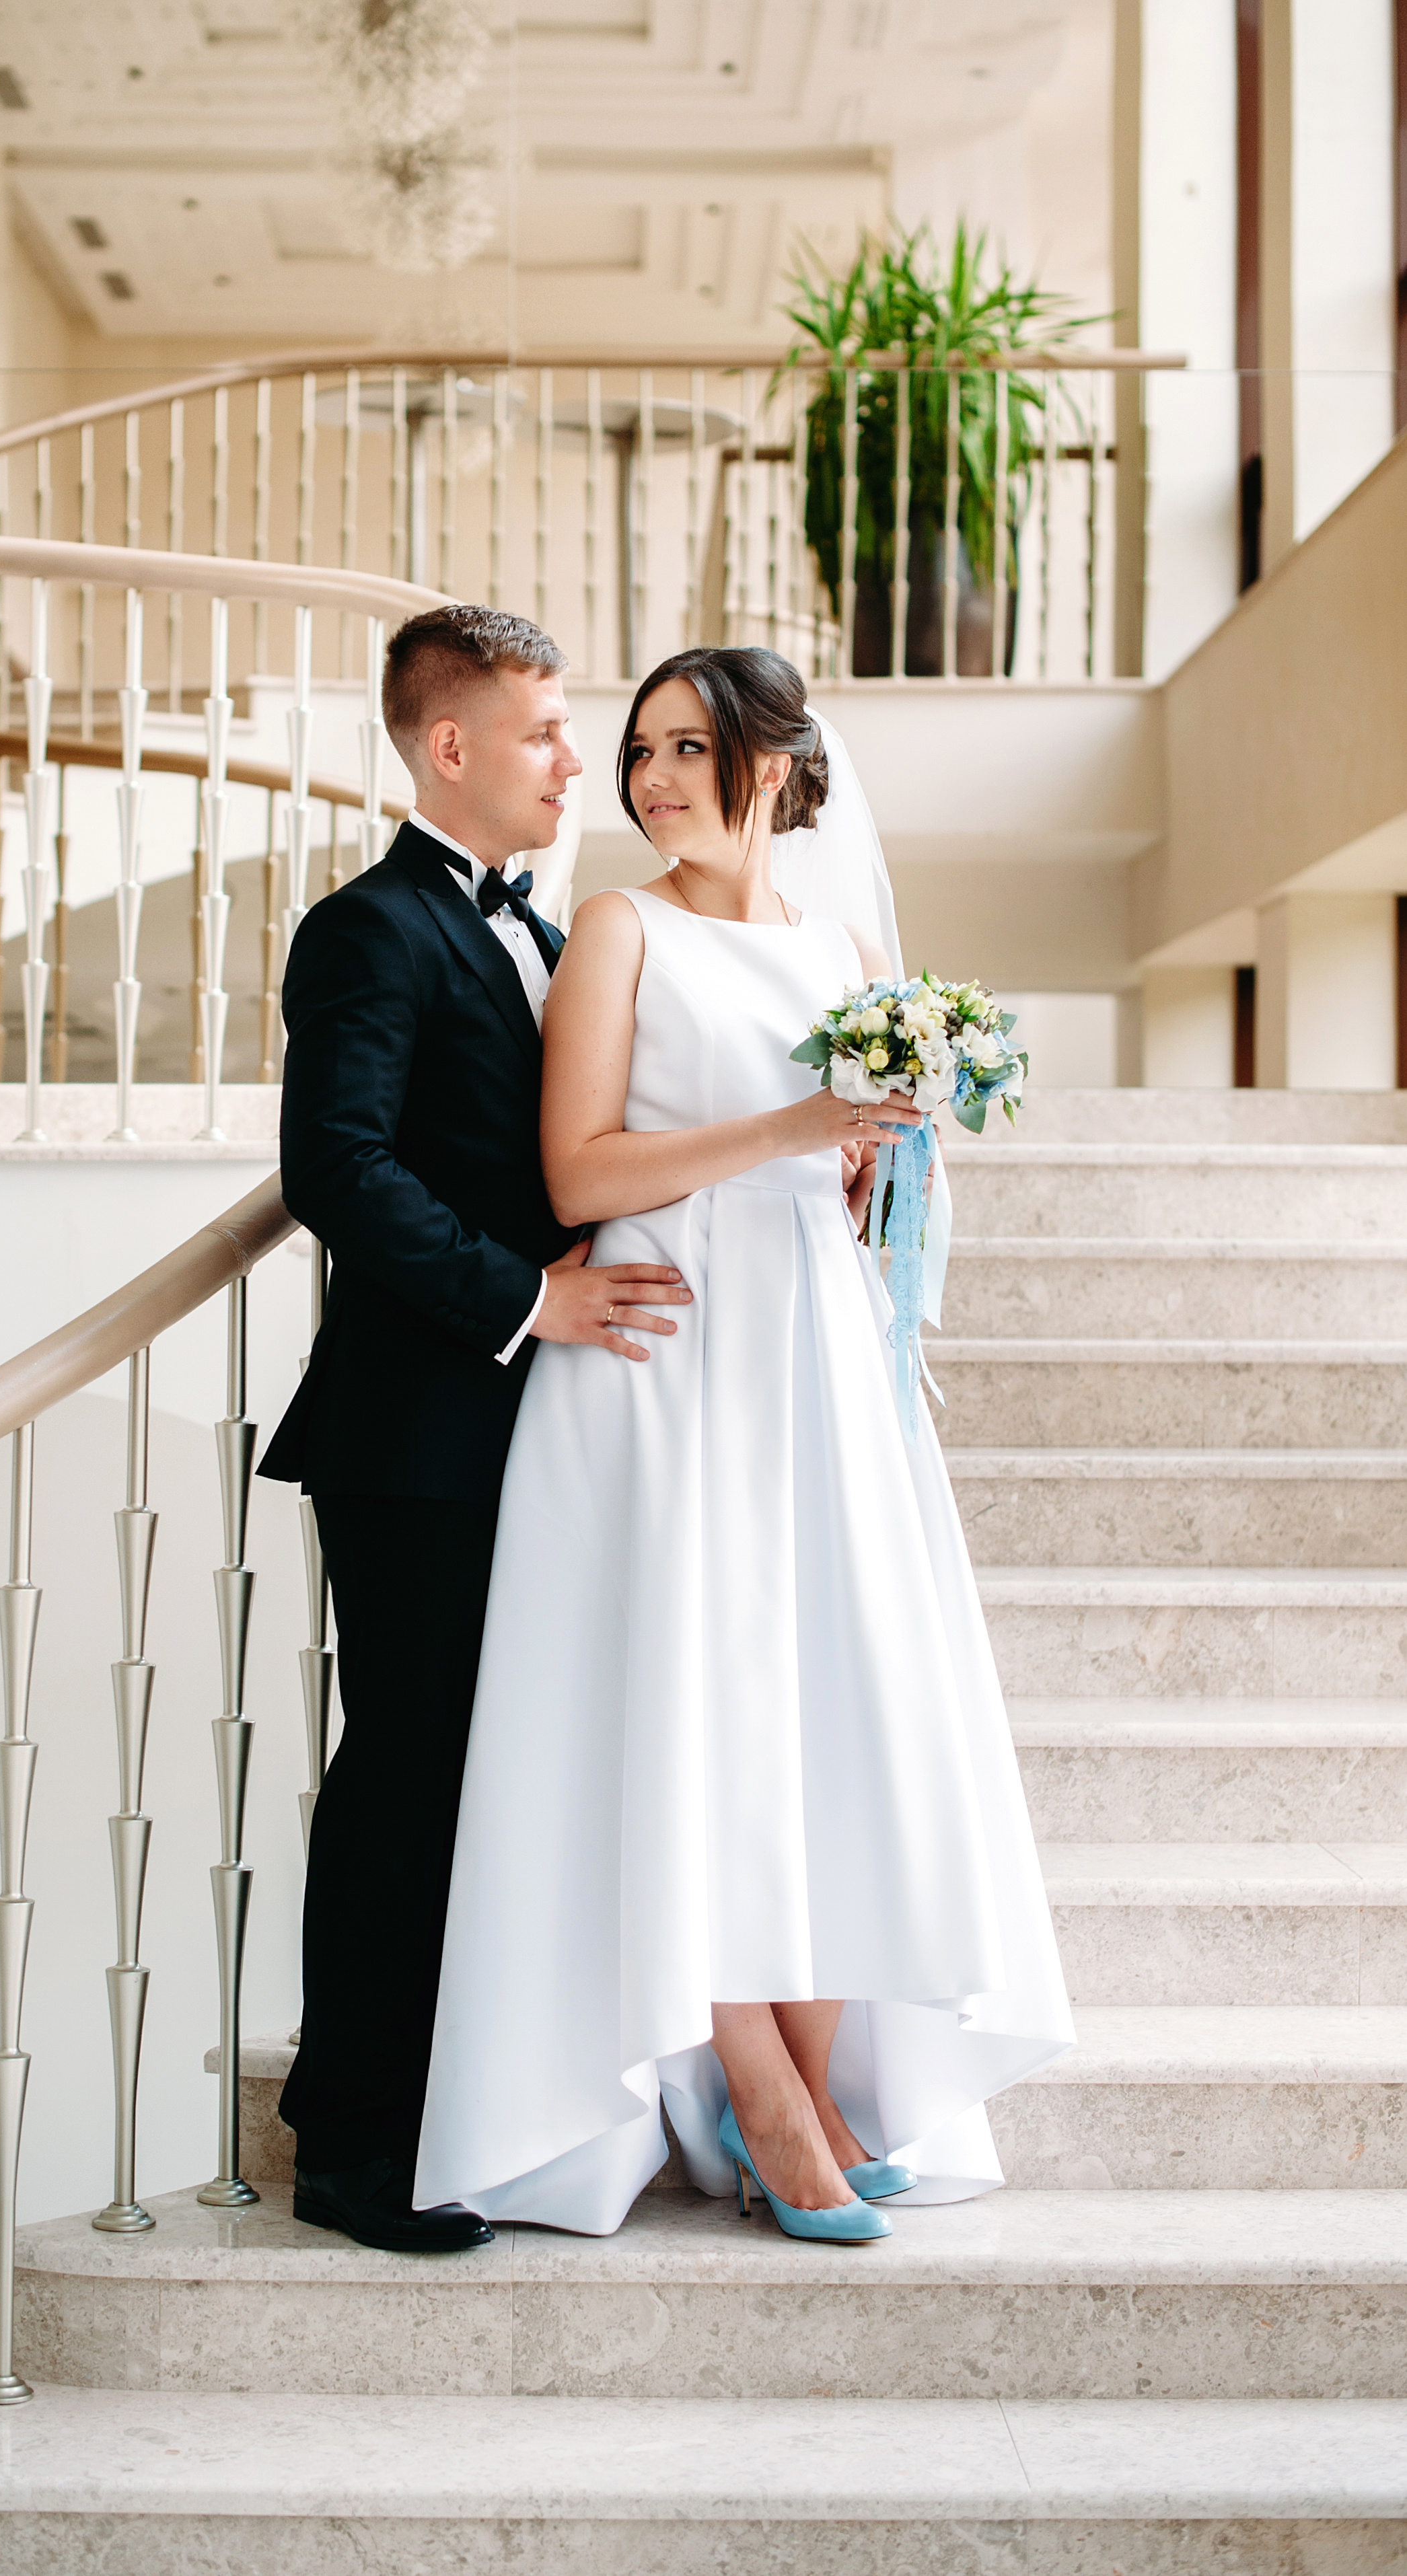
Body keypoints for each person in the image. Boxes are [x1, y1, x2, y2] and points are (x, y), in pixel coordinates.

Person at [414, 645, 1075, 2240]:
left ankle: (825, 2081)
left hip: (816, 1354)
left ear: (771, 771)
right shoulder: (615, 933)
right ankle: (759, 2100)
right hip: (667, 1355)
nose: (649, 781)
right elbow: (577, 1173)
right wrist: (791, 1130)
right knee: (695, 1710)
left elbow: (853, 1184)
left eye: (686, 750)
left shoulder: (838, 943)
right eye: (637, 751)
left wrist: (868, 1169)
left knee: (835, 1706)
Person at [258, 603, 691, 2254]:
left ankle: (477, 2103)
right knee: (410, 1784)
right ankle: (353, 2143)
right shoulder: (368, 930)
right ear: (450, 748)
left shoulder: (558, 929)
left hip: (546, 1431)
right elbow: (338, 1171)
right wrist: (529, 1298)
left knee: (506, 1781)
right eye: (544, 732)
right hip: (418, 1430)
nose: (576, 759)